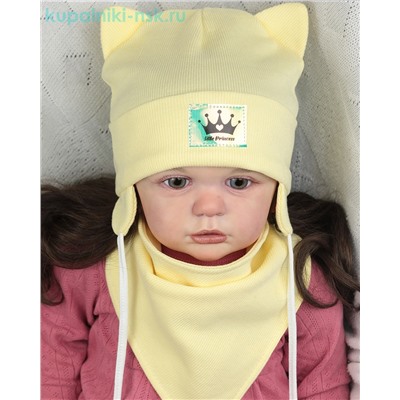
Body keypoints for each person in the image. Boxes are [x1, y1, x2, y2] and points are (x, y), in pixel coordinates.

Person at [41, 3, 360, 400]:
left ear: (277, 187)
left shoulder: (300, 277)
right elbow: (50, 370)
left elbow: (323, 386)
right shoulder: (94, 268)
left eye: (239, 182)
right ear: (133, 185)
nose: (209, 208)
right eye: (176, 181)